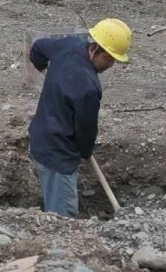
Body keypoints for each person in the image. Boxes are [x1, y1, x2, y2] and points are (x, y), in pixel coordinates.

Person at [28, 19, 132, 218]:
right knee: (63, 217)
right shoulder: (88, 88)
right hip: (58, 154)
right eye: (109, 59)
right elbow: (86, 129)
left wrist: (45, 69)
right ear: (95, 49)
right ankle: (57, 245)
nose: (110, 65)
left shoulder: (69, 45)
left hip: (40, 139)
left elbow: (38, 48)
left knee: (53, 200)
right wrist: (85, 151)